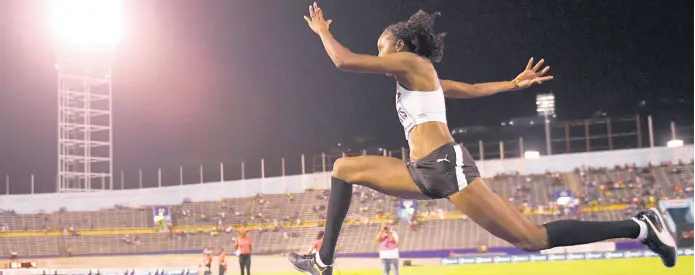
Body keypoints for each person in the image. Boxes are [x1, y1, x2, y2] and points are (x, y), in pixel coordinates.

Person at [287, 3, 677, 275]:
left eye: (382, 48)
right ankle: (323, 262)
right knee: (342, 169)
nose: (380, 54)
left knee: (532, 238)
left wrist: (323, 32)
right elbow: (469, 89)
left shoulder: (412, 63)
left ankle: (639, 227)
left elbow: (344, 60)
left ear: (400, 47)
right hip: (420, 172)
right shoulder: (422, 80)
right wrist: (511, 83)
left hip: (444, 166)